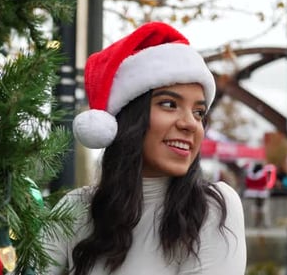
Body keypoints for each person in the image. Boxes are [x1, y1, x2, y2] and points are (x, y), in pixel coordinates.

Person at [43, 22, 246, 275]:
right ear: (130, 117)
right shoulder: (76, 208)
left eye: (198, 112)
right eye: (169, 104)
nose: (190, 124)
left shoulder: (213, 208)